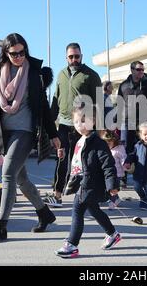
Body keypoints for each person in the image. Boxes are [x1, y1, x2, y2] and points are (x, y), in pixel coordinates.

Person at [0, 33, 63, 243]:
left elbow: (43, 106)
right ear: (6, 53)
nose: (18, 57)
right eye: (14, 53)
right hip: (4, 133)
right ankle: (45, 214)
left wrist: (53, 134)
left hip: (26, 131)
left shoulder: (35, 73)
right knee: (21, 179)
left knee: (7, 173)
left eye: (22, 52)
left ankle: (0, 227)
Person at [55, 106, 121, 258]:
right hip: (81, 181)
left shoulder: (98, 143)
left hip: (90, 183)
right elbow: (77, 162)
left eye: (84, 120)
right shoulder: (79, 140)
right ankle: (112, 233)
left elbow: (108, 164)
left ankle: (72, 244)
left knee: (77, 209)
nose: (80, 124)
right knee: (94, 210)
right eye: (77, 121)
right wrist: (63, 156)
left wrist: (112, 185)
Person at [48, 43, 102, 208]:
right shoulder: (61, 75)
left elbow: (99, 103)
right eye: (71, 57)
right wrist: (50, 126)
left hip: (84, 127)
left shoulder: (91, 75)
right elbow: (56, 100)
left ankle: (90, 196)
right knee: (62, 160)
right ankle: (57, 195)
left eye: (76, 56)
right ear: (66, 57)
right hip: (64, 125)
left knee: (85, 163)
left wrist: (99, 129)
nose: (74, 59)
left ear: (81, 56)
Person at [117, 61, 147, 154]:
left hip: (144, 122)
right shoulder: (123, 85)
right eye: (138, 69)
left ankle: (142, 168)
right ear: (132, 70)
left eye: (142, 70)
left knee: (145, 149)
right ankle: (127, 168)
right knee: (126, 149)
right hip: (127, 122)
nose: (141, 71)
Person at [101, 129, 127, 194]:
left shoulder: (118, 149)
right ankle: (113, 199)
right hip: (106, 173)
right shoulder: (103, 149)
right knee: (106, 187)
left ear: (114, 141)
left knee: (114, 188)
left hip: (117, 173)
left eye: (109, 143)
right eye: (105, 143)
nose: (107, 145)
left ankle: (114, 201)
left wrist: (125, 165)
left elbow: (123, 158)